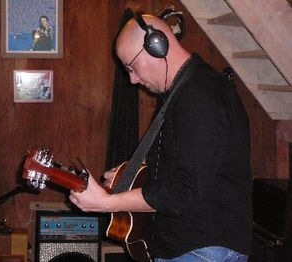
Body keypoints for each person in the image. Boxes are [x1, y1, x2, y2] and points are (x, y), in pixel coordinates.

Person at [69, 13, 252, 262]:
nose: (132, 79)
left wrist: (106, 203)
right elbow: (185, 166)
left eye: (132, 66)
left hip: (202, 249)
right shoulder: (183, 91)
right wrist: (130, 177)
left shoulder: (200, 94)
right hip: (194, 246)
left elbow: (183, 190)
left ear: (157, 46)